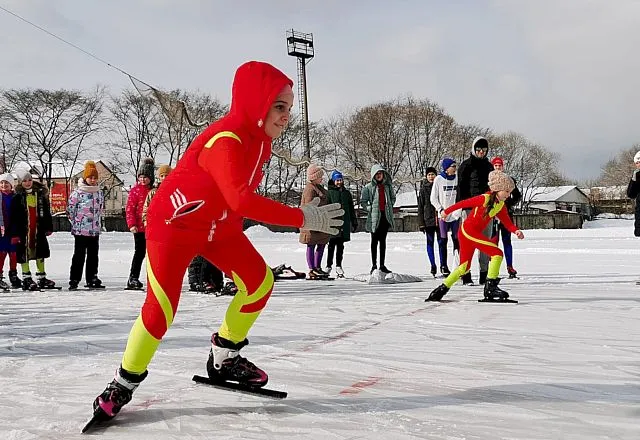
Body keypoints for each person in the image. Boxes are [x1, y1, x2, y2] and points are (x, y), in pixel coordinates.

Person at [89, 60, 344, 422]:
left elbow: (230, 202)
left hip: (216, 227)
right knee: (162, 308)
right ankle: (122, 383)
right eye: (279, 106)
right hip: (173, 225)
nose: (287, 116)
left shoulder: (261, 143)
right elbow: (240, 197)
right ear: (255, 103)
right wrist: (301, 216)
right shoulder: (227, 139)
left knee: (259, 283)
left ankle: (225, 356)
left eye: (289, 108)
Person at [426, 170, 525, 302]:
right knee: (497, 253)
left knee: (463, 267)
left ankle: (440, 291)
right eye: (506, 192)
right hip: (468, 231)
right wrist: (446, 212)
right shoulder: (484, 198)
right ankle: (490, 288)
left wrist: (516, 230)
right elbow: (462, 203)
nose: (508, 195)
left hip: (471, 234)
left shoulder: (500, 205)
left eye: (510, 192)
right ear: (497, 189)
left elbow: (507, 222)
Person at [456, 136, 494, 285]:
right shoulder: (466, 166)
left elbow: (493, 188)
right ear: (473, 149)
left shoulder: (489, 167)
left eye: (484, 150)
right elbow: (461, 188)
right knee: (468, 241)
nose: (481, 153)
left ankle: (484, 274)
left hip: (486, 209)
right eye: (478, 150)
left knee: (485, 241)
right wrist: (460, 207)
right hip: (469, 209)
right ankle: (465, 274)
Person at [10, 170, 56, 291]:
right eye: (24, 181)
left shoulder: (40, 195)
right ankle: (26, 277)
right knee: (24, 253)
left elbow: (46, 212)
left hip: (38, 229)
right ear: (20, 182)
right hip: (23, 231)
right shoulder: (17, 197)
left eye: (29, 180)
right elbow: (13, 217)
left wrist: (48, 227)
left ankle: (41, 277)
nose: (28, 183)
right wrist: (14, 233)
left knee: (40, 251)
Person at [67, 161, 105, 290]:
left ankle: (92, 277)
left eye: (95, 178)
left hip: (94, 230)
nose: (93, 180)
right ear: (85, 178)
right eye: (90, 178)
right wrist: (77, 222)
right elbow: (71, 210)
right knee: (79, 255)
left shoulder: (99, 192)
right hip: (81, 230)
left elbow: (100, 208)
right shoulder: (77, 193)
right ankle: (74, 279)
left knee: (93, 255)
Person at [490, 156, 522, 278]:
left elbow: (517, 195)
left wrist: (509, 204)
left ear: (503, 167)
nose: (498, 168)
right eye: (496, 166)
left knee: (507, 241)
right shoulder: (490, 180)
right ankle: (493, 269)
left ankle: (510, 267)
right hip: (493, 216)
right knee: (493, 243)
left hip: (506, 215)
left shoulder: (509, 180)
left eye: (500, 166)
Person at [125, 157, 154, 290]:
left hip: (152, 227)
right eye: (140, 177)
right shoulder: (135, 191)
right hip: (139, 228)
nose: (143, 179)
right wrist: (132, 224)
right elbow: (129, 209)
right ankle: (133, 277)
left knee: (153, 255)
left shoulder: (153, 191)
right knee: (139, 253)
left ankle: (153, 279)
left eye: (145, 177)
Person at [361, 164, 395, 274]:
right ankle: (374, 265)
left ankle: (382, 265)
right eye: (376, 174)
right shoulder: (368, 187)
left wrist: (389, 205)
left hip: (385, 216)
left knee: (383, 241)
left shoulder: (387, 186)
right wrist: (370, 208)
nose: (379, 175)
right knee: (374, 241)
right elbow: (363, 202)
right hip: (374, 217)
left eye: (380, 173)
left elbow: (393, 197)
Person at [299, 164, 331, 279]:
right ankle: (312, 269)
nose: (322, 178)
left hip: (320, 222)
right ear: (314, 177)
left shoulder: (319, 188)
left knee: (322, 244)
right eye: (320, 176)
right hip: (311, 223)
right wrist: (311, 222)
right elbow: (308, 207)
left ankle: (318, 267)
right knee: (311, 245)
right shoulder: (309, 189)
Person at [430, 158, 460, 277]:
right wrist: (440, 209)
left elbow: (460, 197)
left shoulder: (457, 178)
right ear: (446, 168)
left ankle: (457, 265)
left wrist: (458, 210)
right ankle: (444, 265)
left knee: (457, 240)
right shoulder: (439, 179)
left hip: (455, 214)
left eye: (455, 166)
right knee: (443, 240)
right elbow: (433, 198)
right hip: (443, 215)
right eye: (452, 166)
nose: (454, 168)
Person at [325, 170, 357, 277]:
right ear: (333, 181)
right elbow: (326, 209)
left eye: (340, 180)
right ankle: (328, 266)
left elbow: (351, 209)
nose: (339, 182)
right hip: (332, 223)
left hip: (344, 223)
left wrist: (354, 221)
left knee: (340, 246)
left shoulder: (346, 193)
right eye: (337, 180)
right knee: (331, 245)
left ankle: (339, 266)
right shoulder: (329, 193)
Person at [417, 167, 440, 276]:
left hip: (440, 219)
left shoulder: (440, 186)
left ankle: (443, 265)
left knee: (441, 243)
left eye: (433, 174)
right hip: (428, 220)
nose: (431, 177)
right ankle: (433, 265)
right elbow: (420, 207)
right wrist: (421, 223)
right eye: (429, 175)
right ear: (426, 176)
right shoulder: (423, 189)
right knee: (430, 243)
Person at [0, 173, 19, 289]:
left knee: (13, 253)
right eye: (1, 183)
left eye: (6, 183)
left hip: (13, 229)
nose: (4, 185)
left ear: (11, 185)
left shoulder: (16, 197)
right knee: (1, 253)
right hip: (2, 229)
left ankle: (13, 274)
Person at [626, 150, 640, 237]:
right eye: (637, 162)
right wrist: (633, 181)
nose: (638, 164)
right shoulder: (637, 176)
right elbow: (631, 194)